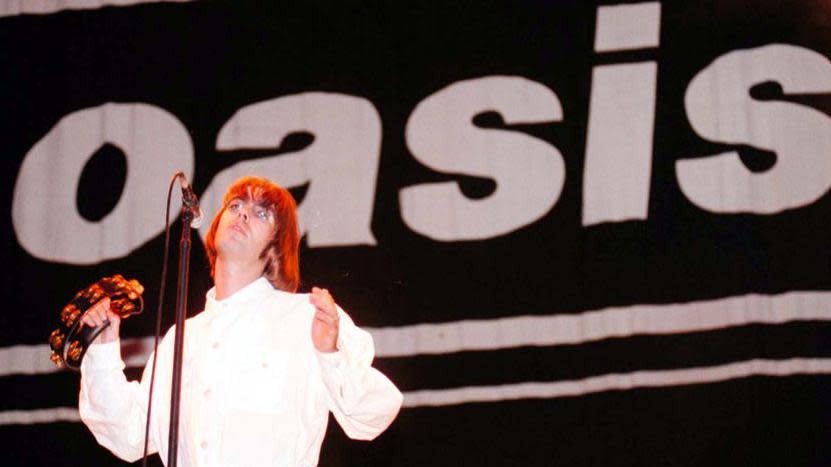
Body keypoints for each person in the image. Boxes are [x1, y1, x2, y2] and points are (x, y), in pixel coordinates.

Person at [78, 176, 403, 466]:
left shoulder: (308, 316)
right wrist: (103, 350)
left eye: (262, 212)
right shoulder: (183, 337)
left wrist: (330, 355)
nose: (243, 213)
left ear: (276, 247)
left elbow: (372, 416)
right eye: (235, 205)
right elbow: (130, 435)